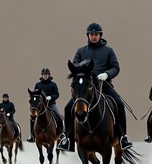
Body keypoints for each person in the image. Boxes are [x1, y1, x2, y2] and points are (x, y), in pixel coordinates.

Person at [57, 22, 133, 152]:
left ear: (100, 35)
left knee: (119, 104)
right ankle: (68, 139)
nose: (94, 36)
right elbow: (75, 67)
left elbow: (116, 67)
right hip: (86, 88)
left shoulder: (108, 51)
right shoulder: (81, 51)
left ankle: (123, 137)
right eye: (91, 34)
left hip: (104, 85)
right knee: (68, 107)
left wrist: (106, 74)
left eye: (96, 34)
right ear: (88, 35)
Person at [27, 68, 63, 142]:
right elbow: (34, 94)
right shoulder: (38, 84)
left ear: (49, 75)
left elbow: (57, 94)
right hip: (40, 106)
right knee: (32, 117)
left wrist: (50, 97)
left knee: (59, 116)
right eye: (44, 74)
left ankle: (61, 134)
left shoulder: (53, 84)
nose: (45, 76)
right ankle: (32, 135)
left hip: (51, 104)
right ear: (42, 75)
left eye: (46, 74)